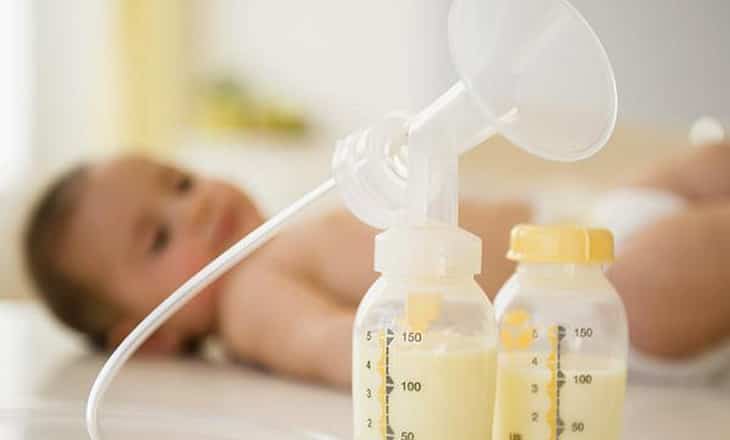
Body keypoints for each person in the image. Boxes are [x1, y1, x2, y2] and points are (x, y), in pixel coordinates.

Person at [24, 143, 730, 388]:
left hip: (590, 225)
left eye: (180, 182)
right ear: (147, 335)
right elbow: (341, 345)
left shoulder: (282, 243)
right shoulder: (249, 299)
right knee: (688, 257)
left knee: (705, 165)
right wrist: (446, 363)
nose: (198, 205)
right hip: (583, 310)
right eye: (157, 238)